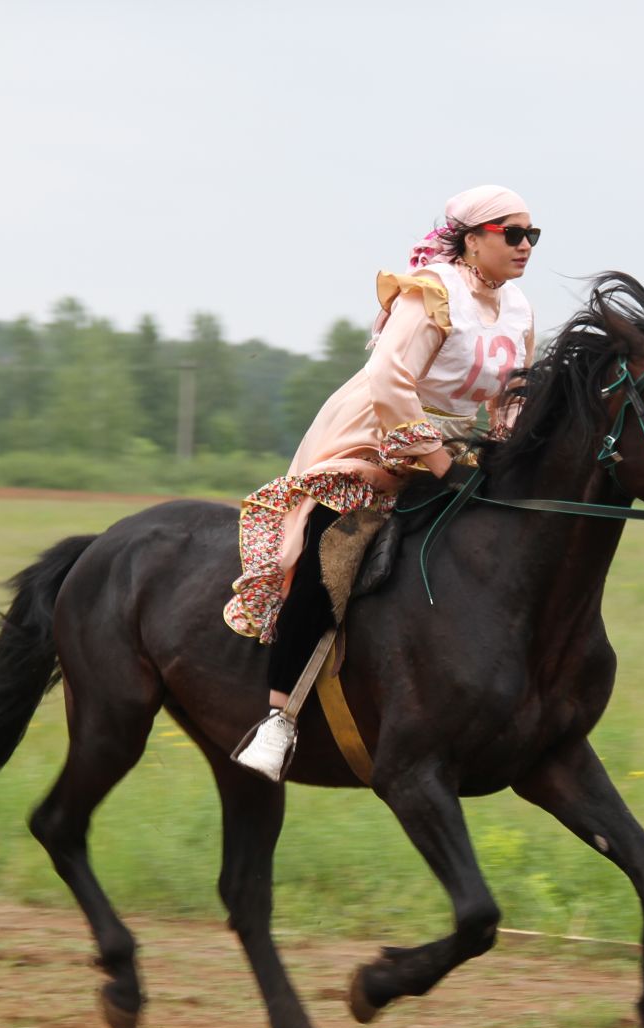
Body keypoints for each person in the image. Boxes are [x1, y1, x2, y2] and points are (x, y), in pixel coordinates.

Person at [222, 184, 539, 780]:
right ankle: (279, 720)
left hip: (456, 447)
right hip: (376, 435)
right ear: (473, 239)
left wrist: (505, 450)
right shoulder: (430, 293)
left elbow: (510, 396)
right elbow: (391, 382)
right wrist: (440, 464)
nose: (526, 246)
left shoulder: (519, 308)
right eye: (513, 234)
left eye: (532, 236)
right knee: (327, 556)